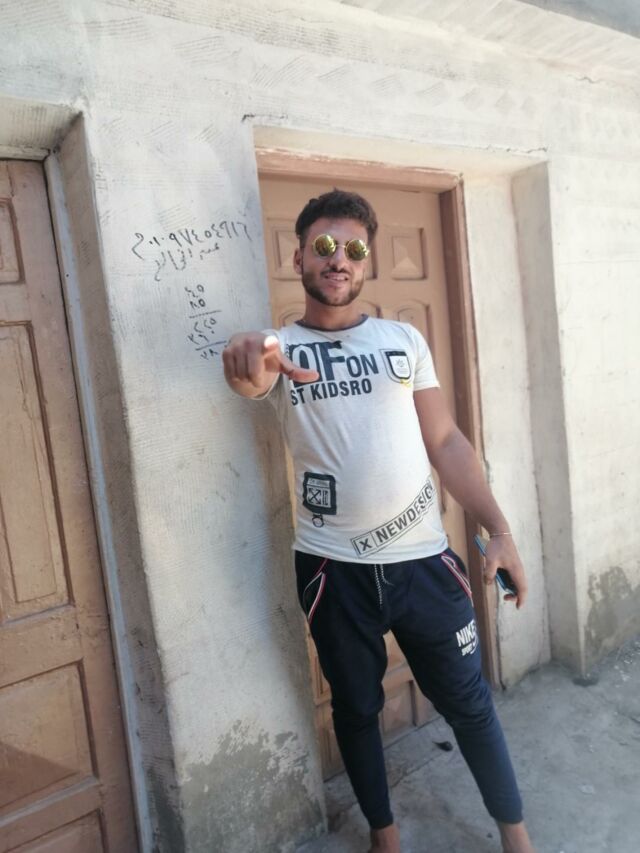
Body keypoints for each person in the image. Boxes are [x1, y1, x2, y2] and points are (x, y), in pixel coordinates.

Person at [223, 189, 535, 853]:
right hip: (334, 570)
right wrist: (246, 356)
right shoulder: (282, 348)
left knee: (470, 704)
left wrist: (499, 529)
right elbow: (250, 380)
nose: (338, 259)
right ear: (299, 257)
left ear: (366, 263)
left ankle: (516, 837)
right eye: (324, 246)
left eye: (354, 249)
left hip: (424, 564)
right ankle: (385, 838)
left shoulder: (403, 340)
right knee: (357, 708)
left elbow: (446, 442)